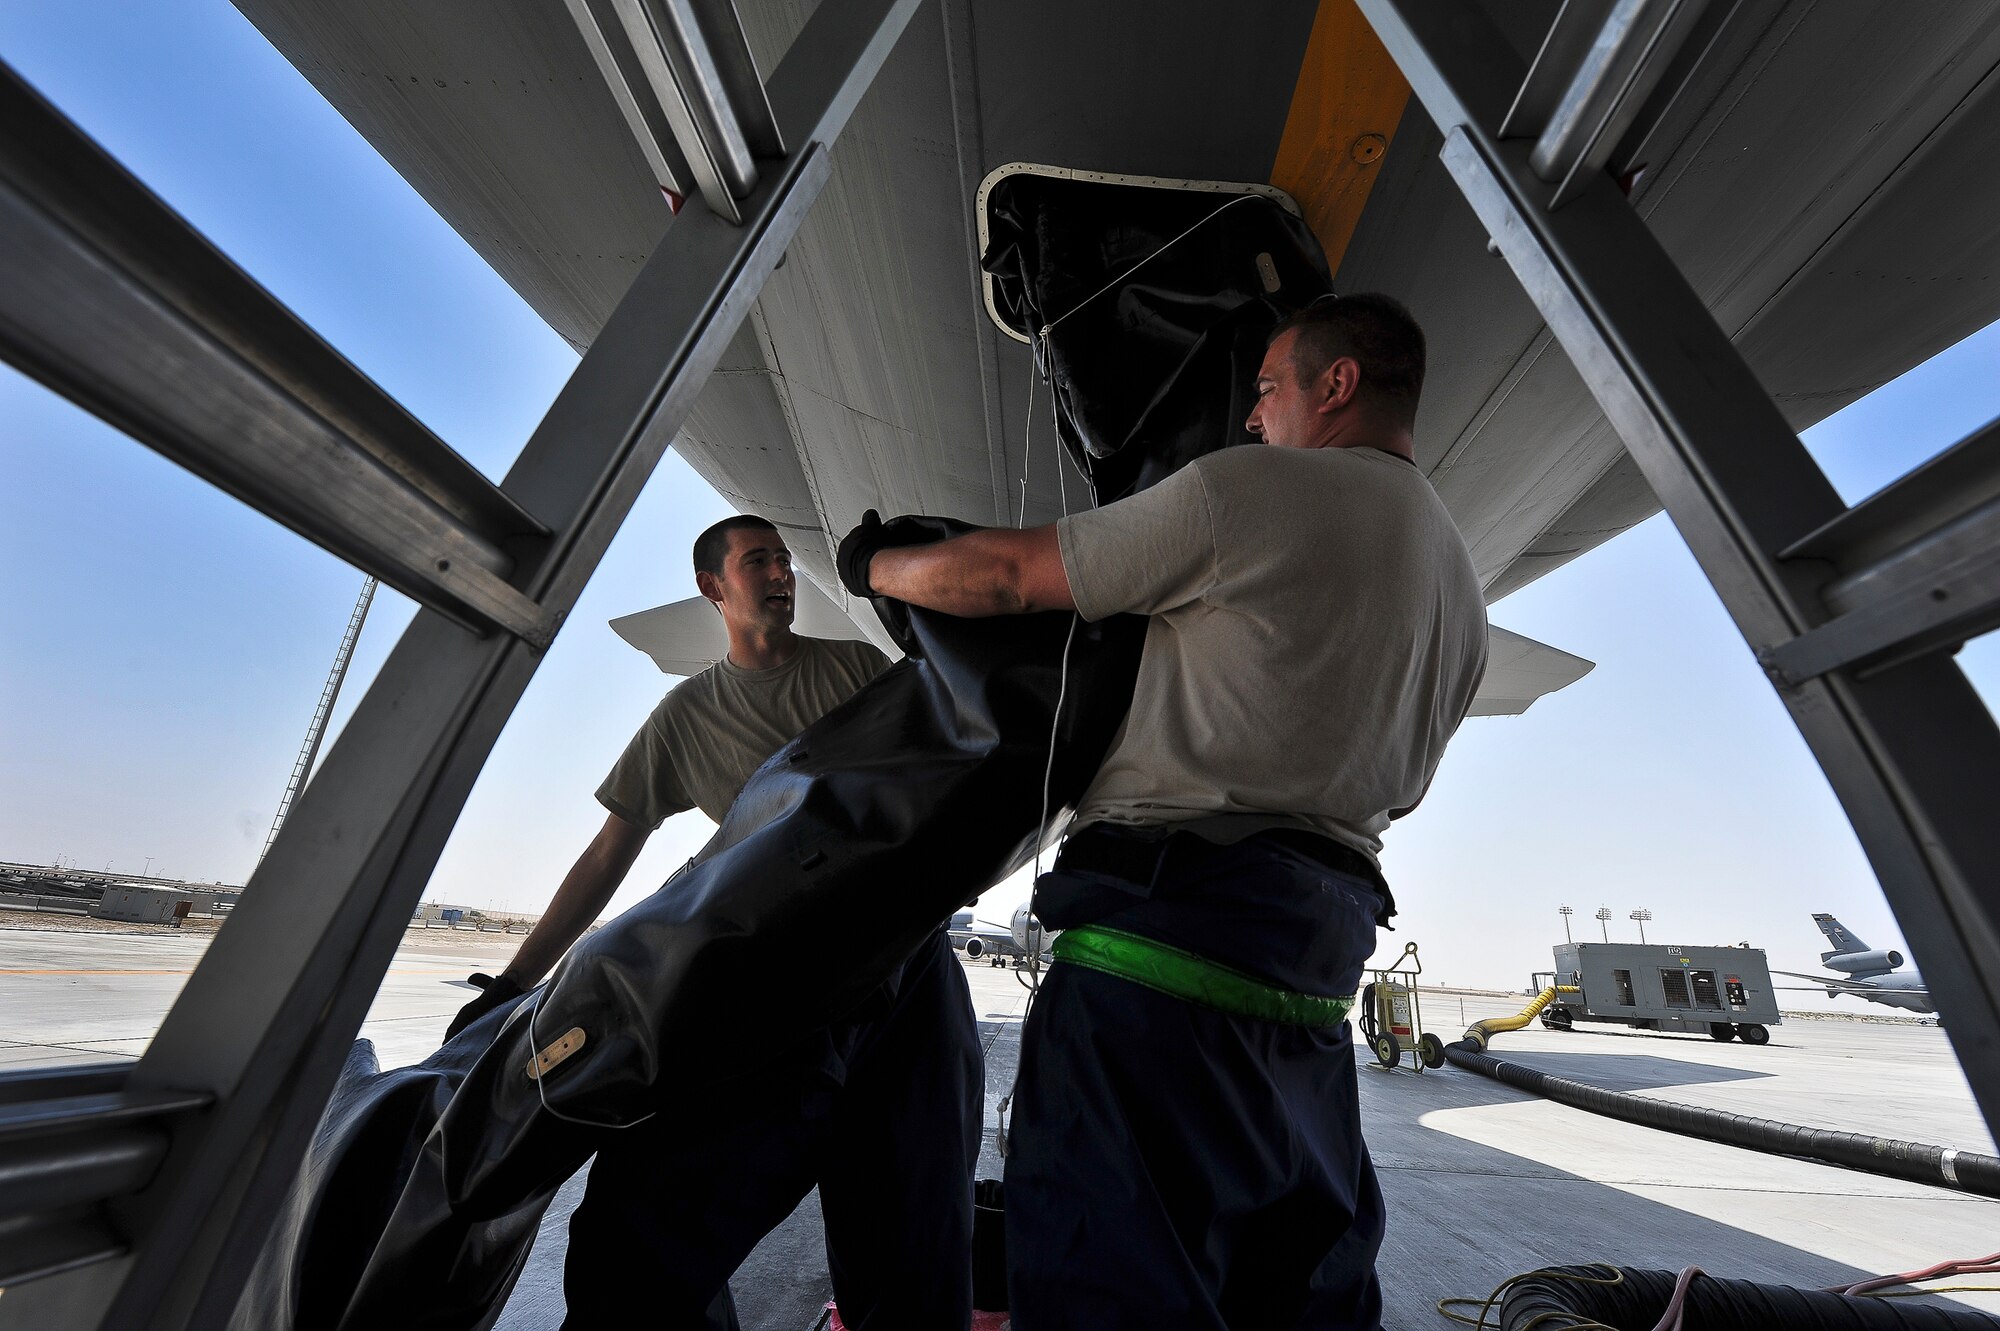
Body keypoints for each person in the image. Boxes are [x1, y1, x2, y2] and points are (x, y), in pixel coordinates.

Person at [838, 293, 1487, 1330]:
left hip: (1154, 1000)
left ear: (1336, 384)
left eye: (1268, 388)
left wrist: (870, 564)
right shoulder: (1457, 576)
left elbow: (1003, 578)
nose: (1250, 417)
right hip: (1310, 1012)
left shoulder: (1256, 492)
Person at [451, 514, 984, 1331]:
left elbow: (938, 785)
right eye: (758, 560)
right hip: (778, 992)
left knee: (914, 1234)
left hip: (902, 978)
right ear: (715, 587)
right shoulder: (684, 718)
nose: (780, 572)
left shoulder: (858, 672)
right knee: (646, 1240)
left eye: (784, 559)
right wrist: (517, 981)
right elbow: (605, 856)